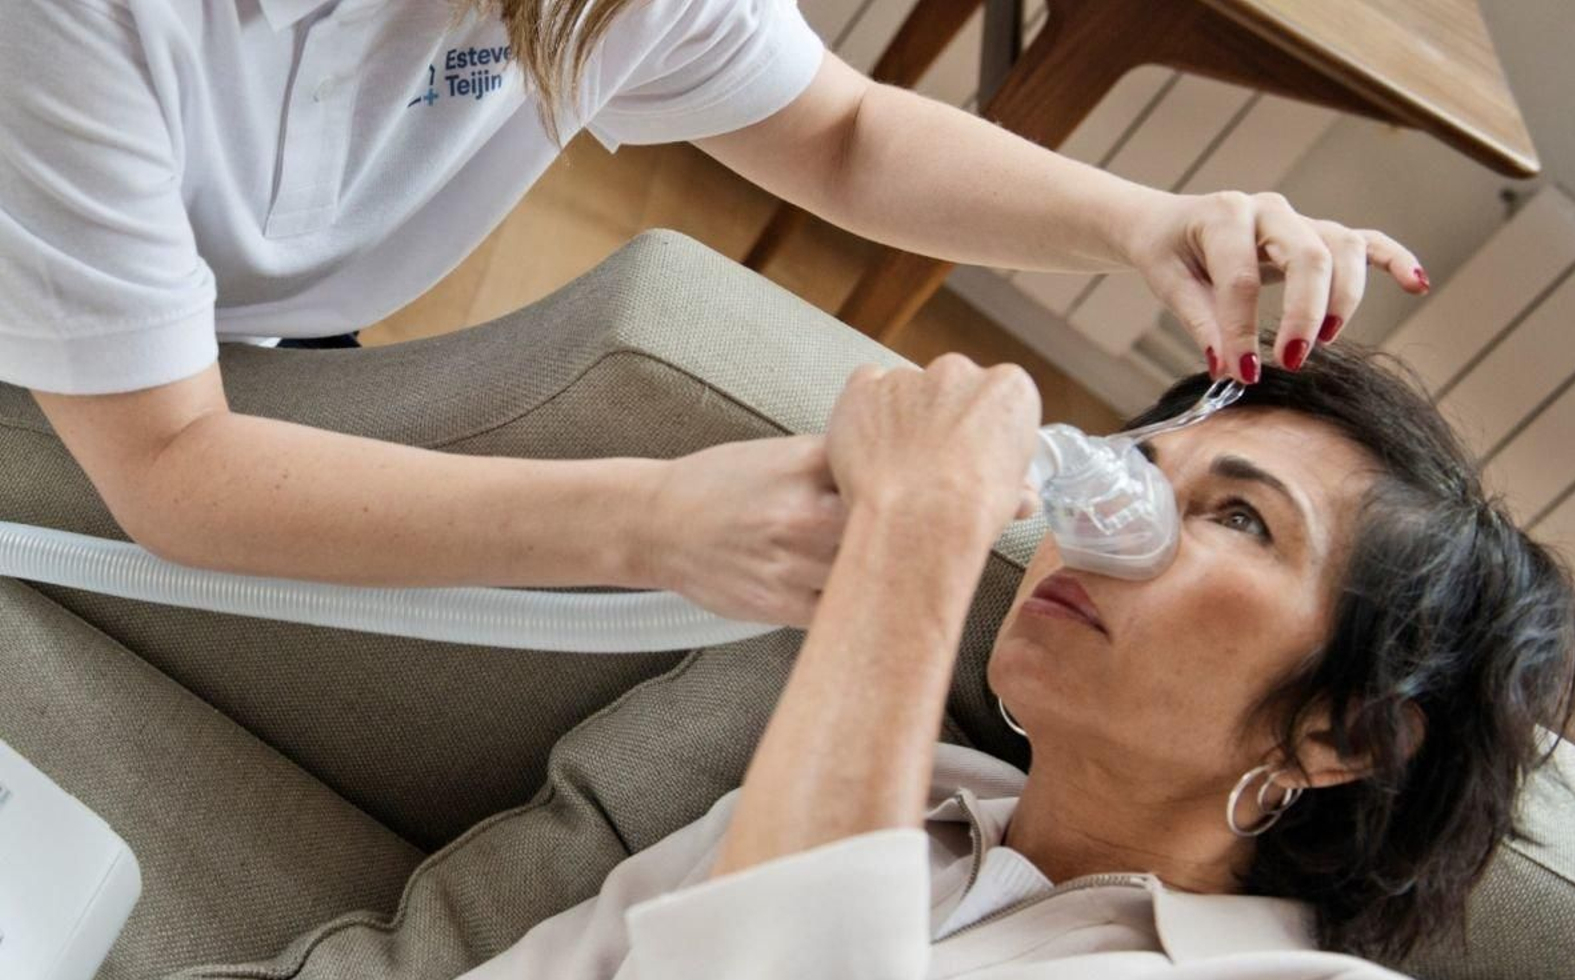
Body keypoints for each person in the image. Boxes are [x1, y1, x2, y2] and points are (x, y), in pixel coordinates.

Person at [297, 340, 1575, 980]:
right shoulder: (891, 813)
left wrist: (914, 536)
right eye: (1141, 467)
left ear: (1345, 732)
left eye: (1238, 517)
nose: (1105, 523)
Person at [0, 0, 1429, 628]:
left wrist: (1139, 223)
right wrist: (645, 524)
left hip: (233, 353)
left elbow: (844, 134)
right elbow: (174, 469)